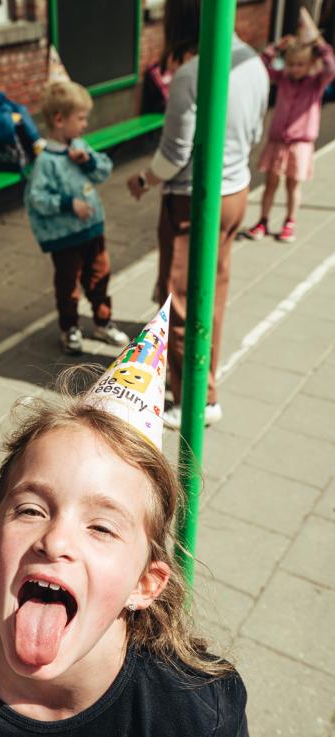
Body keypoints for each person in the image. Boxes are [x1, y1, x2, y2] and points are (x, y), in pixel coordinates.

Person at [0, 303, 258, 737]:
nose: (55, 541)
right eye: (31, 510)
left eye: (101, 527)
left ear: (145, 585)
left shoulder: (187, 711)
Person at [126, 0, 269, 430]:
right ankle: (203, 381)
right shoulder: (253, 62)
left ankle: (195, 400)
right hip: (237, 189)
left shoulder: (193, 74)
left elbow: (174, 154)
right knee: (214, 292)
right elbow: (257, 128)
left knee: (184, 301)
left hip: (196, 200)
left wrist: (144, 181)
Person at [25, 80, 129, 355]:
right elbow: (37, 199)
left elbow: (104, 171)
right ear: (59, 120)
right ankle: (69, 326)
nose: (85, 124)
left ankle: (103, 321)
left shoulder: (80, 146)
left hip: (92, 230)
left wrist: (89, 162)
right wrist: (70, 204)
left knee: (99, 276)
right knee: (68, 284)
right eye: (80, 118)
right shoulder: (45, 161)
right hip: (65, 237)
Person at [244, 9, 335, 243]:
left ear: (310, 64)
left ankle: (289, 221)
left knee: (293, 185)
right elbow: (261, 66)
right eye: (291, 64)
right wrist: (277, 47)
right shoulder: (282, 79)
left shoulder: (315, 84)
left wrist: (319, 43)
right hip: (278, 141)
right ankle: (263, 220)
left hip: (299, 143)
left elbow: (331, 67)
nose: (294, 68)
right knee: (270, 183)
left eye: (300, 65)